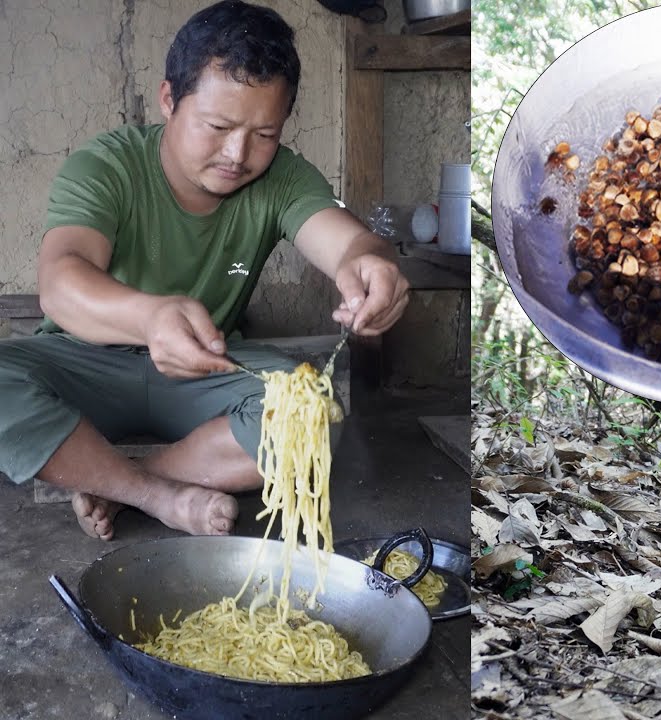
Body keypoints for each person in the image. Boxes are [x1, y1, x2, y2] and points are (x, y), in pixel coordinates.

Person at [0, 0, 410, 540]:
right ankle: (157, 496)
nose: (237, 153)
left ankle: (127, 485)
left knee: (311, 410)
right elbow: (60, 281)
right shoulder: (107, 164)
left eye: (265, 134)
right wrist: (150, 319)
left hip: (208, 367)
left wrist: (370, 262)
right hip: (84, 362)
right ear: (169, 99)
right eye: (217, 125)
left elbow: (346, 239)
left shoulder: (282, 178)